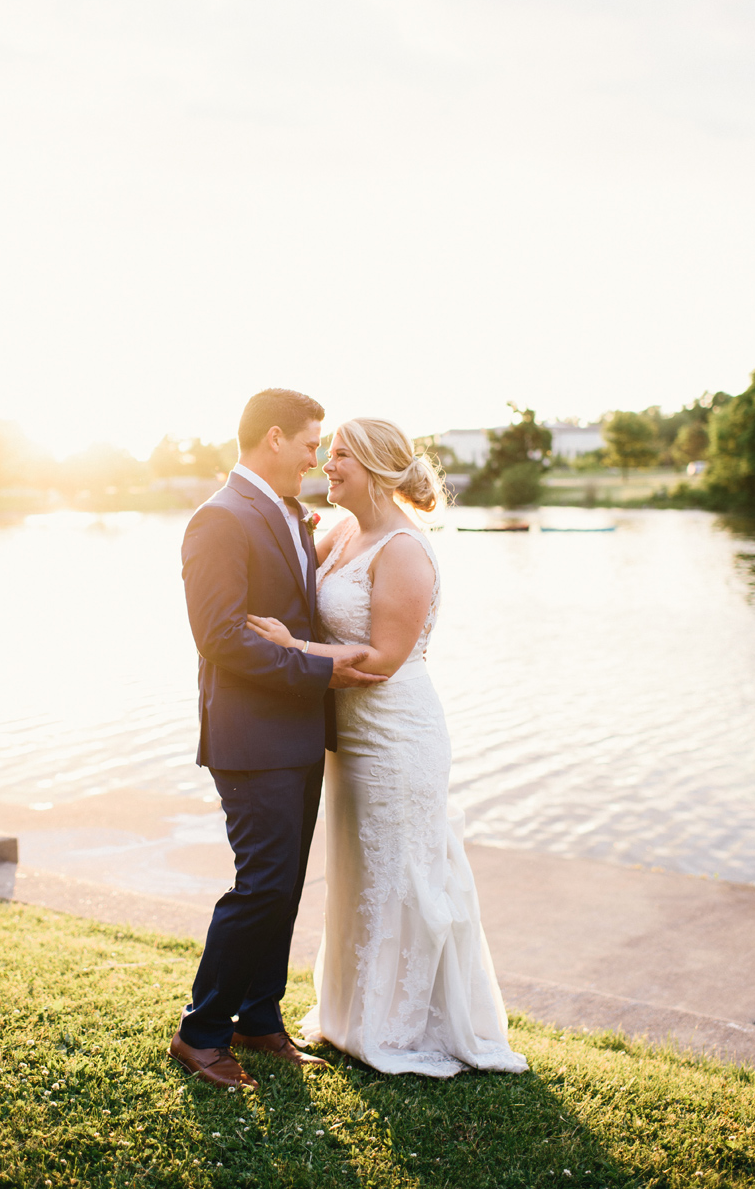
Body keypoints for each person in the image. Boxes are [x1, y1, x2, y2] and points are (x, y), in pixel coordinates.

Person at [248, 418, 528, 1077]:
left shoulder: (404, 548)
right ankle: (350, 1019)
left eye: (340, 456)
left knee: (403, 875)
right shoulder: (342, 531)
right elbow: (290, 574)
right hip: (348, 739)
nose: (327, 466)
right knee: (360, 873)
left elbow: (381, 659)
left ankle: (399, 1028)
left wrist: (293, 650)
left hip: (398, 736)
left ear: (372, 467)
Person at [168, 389, 386, 1091]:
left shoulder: (288, 512)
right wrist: (322, 670)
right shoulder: (219, 519)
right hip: (250, 734)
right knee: (260, 883)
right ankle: (201, 1032)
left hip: (295, 733)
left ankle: (259, 1020)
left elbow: (297, 609)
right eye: (309, 443)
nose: (316, 457)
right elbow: (221, 637)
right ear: (272, 438)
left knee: (285, 884)